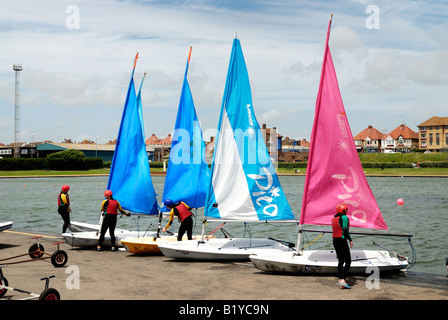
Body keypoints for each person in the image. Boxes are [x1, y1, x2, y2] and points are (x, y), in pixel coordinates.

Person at [332, 202, 353, 289]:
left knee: (341, 260)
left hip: (335, 240)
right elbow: (344, 229)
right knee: (348, 260)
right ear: (344, 210)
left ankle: (340, 279)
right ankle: (343, 280)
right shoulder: (344, 217)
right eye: (346, 209)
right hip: (342, 240)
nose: (347, 211)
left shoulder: (334, 218)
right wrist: (350, 240)